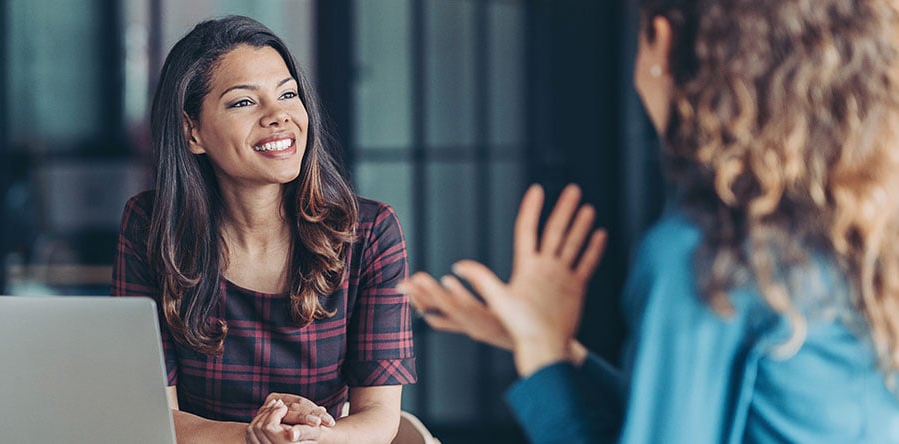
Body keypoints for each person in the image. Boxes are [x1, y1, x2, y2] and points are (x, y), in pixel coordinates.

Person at [399, 0, 899, 442]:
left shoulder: (708, 251)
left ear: (661, 40)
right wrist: (551, 348)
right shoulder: (859, 225)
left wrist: (546, 363)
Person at [112, 15, 416, 444]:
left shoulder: (369, 233)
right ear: (192, 131)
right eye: (243, 102)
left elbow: (380, 416)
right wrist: (254, 437)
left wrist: (306, 438)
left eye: (288, 94)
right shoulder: (150, 226)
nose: (279, 116)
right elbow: (149, 414)